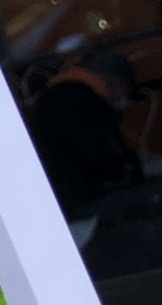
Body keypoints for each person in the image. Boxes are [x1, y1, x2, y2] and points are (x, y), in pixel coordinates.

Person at [28, 50, 140, 215]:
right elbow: (100, 157)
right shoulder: (89, 103)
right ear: (115, 83)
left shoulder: (50, 97)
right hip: (84, 198)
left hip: (60, 198)